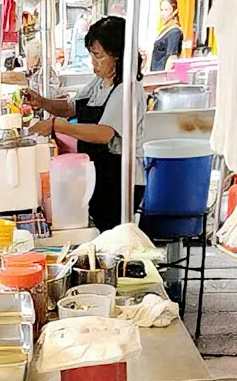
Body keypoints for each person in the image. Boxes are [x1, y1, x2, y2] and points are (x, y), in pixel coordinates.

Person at [25, 16, 146, 232]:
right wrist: (41, 101)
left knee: (113, 236)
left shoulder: (127, 89)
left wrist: (57, 126)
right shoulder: (100, 82)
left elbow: (104, 133)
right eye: (92, 55)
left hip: (120, 179)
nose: (94, 63)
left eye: (99, 56)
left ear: (119, 55)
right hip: (97, 173)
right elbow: (70, 107)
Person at [150, 0, 184, 72]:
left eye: (166, 10)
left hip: (161, 76)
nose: (163, 13)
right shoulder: (164, 30)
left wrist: (165, 78)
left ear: (174, 11)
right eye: (161, 10)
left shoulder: (174, 32)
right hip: (155, 74)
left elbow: (172, 58)